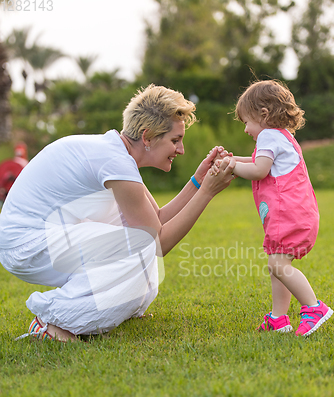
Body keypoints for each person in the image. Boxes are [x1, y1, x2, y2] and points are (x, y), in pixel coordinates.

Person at [0, 84, 235, 342]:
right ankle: (52, 321)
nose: (181, 150)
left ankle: (111, 311)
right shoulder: (115, 161)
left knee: (141, 248)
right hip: (25, 243)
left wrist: (198, 182)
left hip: (43, 234)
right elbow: (157, 244)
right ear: (147, 137)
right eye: (175, 140)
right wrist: (207, 193)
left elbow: (155, 220)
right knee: (141, 249)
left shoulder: (117, 154)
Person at [212, 79, 332, 337]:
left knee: (278, 264)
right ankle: (279, 318)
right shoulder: (282, 136)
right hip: (297, 212)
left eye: (246, 121)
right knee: (276, 263)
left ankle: (314, 307)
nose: (245, 130)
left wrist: (232, 166)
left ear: (263, 115)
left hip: (288, 215)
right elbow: (257, 161)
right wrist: (232, 159)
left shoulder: (268, 136)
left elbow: (258, 170)